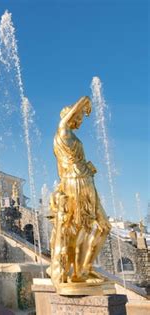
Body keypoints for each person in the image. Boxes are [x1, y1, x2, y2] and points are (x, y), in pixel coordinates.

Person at [50, 96, 111, 287]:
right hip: (75, 183)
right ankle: (78, 273)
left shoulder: (73, 137)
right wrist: (85, 101)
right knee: (81, 228)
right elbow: (65, 121)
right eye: (78, 118)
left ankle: (85, 268)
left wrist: (87, 166)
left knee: (103, 226)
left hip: (85, 181)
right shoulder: (62, 133)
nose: (80, 121)